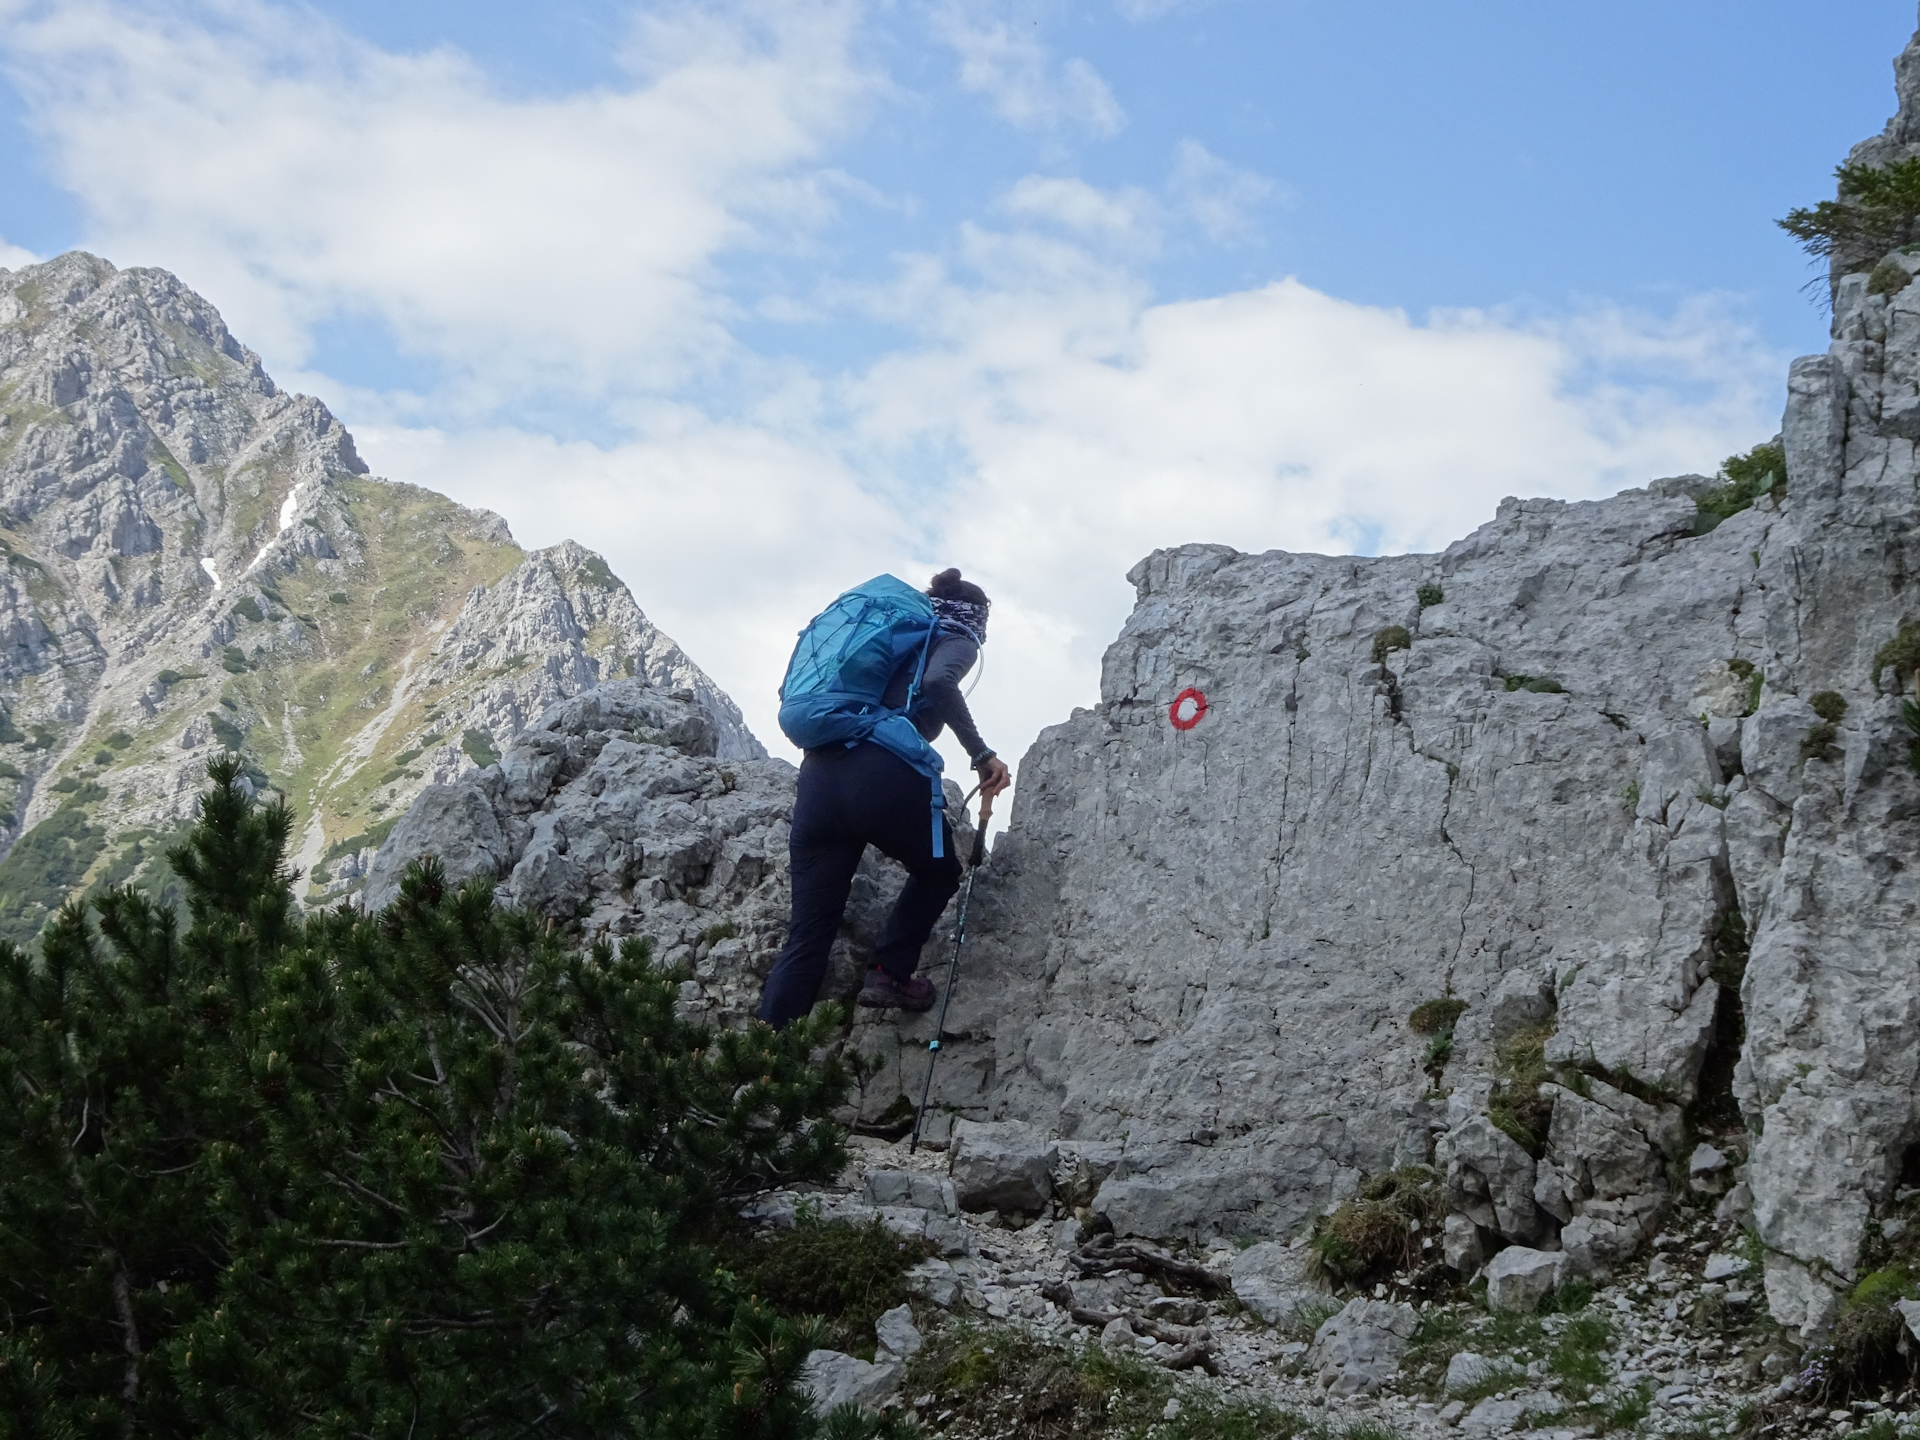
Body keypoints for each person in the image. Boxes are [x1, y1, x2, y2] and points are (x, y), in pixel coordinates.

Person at [757, 569, 1013, 1027]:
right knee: (938, 872)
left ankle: (767, 1063)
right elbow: (938, 683)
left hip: (819, 775)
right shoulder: (958, 634)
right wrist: (981, 754)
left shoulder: (885, 638)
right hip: (881, 771)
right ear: (975, 617)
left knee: (809, 932)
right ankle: (888, 974)